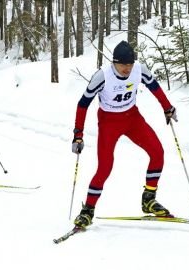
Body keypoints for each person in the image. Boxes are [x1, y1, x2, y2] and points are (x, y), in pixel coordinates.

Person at [71, 41, 178, 229]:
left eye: (129, 64)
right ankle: (87, 210)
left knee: (157, 152)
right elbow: (83, 104)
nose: (126, 69)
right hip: (109, 123)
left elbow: (155, 88)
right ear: (114, 62)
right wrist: (78, 134)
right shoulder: (102, 76)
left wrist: (167, 108)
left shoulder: (139, 69)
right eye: (122, 65)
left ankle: (149, 199)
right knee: (105, 168)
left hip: (132, 118)